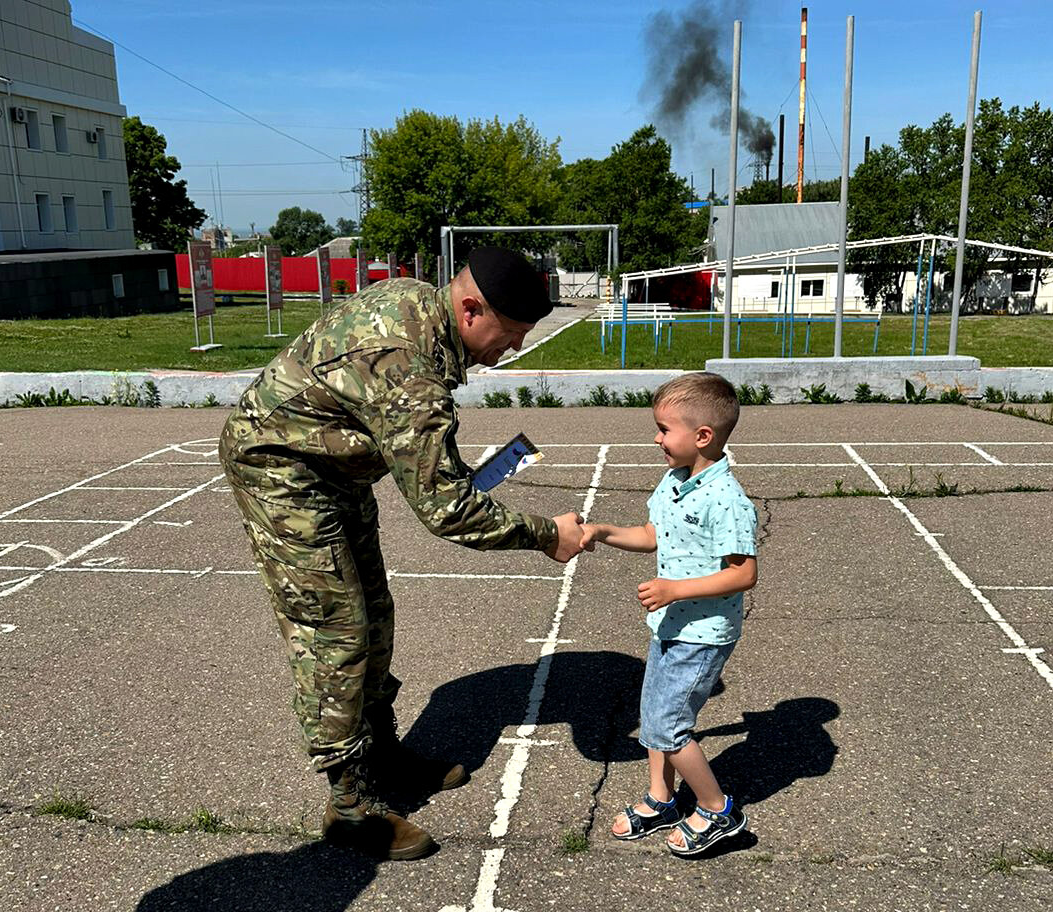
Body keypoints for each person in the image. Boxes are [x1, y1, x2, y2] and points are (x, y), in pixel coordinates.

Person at [219, 247, 587, 861]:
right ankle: (350, 805)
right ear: (471, 309)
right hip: (281, 470)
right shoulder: (408, 362)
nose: (512, 349)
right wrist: (550, 535)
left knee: (375, 613)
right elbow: (445, 511)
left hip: (332, 467)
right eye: (512, 334)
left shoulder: (425, 309)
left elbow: (423, 459)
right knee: (336, 630)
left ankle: (382, 755)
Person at [580, 372, 758, 856]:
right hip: (670, 626)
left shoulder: (727, 499)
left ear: (702, 436)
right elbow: (652, 534)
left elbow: (743, 574)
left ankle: (718, 809)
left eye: (663, 429)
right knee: (655, 714)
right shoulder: (675, 481)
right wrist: (600, 531)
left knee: (668, 725)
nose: (656, 438)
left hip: (702, 634)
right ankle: (662, 799)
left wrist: (675, 589)